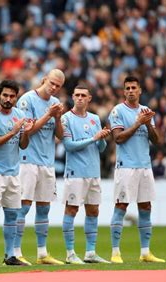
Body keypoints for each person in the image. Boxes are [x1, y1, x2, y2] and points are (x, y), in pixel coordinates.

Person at [108, 76, 165, 263]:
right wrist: (138, 123)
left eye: (134, 87)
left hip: (145, 166)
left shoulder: (146, 111)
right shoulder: (117, 111)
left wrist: (148, 123)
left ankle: (145, 252)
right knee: (121, 206)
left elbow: (156, 141)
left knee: (146, 207)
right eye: (127, 88)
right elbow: (118, 138)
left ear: (140, 90)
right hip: (126, 167)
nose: (131, 90)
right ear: (124, 92)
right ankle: (115, 252)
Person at [0, 80, 34, 266]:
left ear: (16, 98)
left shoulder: (20, 115)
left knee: (12, 215)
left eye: (12, 96)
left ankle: (10, 255)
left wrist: (26, 132)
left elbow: (23, 145)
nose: (8, 99)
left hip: (13, 172)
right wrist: (13, 131)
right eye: (5, 95)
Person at [15, 68, 65, 265]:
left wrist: (58, 118)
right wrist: (49, 115)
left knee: (44, 207)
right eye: (51, 83)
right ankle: (16, 251)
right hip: (28, 160)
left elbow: (60, 135)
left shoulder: (55, 104)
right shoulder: (27, 100)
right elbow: (28, 130)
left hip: (47, 162)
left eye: (58, 86)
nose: (53, 88)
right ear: (44, 79)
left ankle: (42, 253)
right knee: (23, 207)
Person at [60, 85, 111, 264]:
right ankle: (70, 253)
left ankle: (90, 252)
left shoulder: (95, 118)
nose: (80, 98)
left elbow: (101, 148)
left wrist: (102, 138)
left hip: (93, 172)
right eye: (77, 95)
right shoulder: (65, 118)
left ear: (89, 98)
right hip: (75, 173)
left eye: (84, 95)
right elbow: (68, 146)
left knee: (93, 210)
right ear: (73, 97)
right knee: (72, 209)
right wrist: (93, 138)